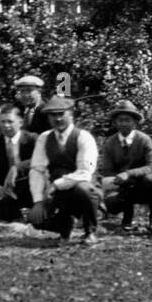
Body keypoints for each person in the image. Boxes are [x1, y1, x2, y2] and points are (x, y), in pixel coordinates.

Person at [27, 96, 102, 245]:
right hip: (57, 193)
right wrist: (38, 201)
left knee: (84, 189)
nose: (57, 119)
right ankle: (65, 226)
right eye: (52, 115)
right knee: (36, 220)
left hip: (81, 187)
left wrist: (56, 185)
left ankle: (90, 231)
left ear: (71, 114)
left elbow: (85, 172)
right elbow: (37, 169)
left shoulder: (83, 137)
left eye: (61, 114)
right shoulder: (44, 138)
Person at [99, 101, 152, 232]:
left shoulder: (144, 140)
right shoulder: (110, 143)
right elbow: (107, 171)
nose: (123, 124)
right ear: (115, 123)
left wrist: (129, 173)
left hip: (142, 184)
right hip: (122, 186)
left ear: (135, 122)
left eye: (127, 120)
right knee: (111, 203)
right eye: (120, 120)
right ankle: (127, 218)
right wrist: (118, 179)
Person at [0, 105, 37, 227]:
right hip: (6, 190)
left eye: (10, 122)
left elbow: (39, 160)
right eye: (2, 122)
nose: (6, 126)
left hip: (30, 187)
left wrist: (16, 168)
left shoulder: (32, 139)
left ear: (20, 122)